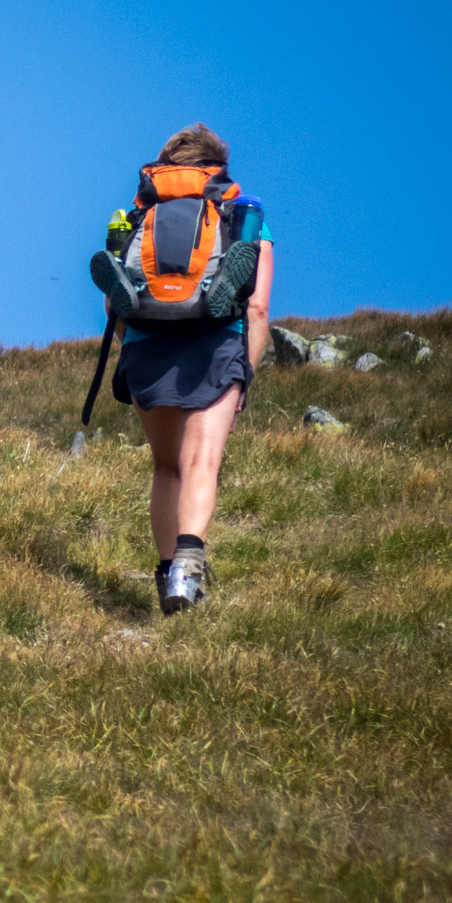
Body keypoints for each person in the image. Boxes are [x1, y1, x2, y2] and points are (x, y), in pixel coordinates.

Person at [106, 123, 274, 613]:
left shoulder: (141, 215)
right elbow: (258, 309)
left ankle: (165, 580)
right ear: (217, 167)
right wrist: (244, 374)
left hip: (147, 339)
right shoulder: (241, 217)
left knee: (166, 464)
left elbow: (113, 308)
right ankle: (188, 568)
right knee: (202, 461)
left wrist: (133, 343)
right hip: (216, 342)